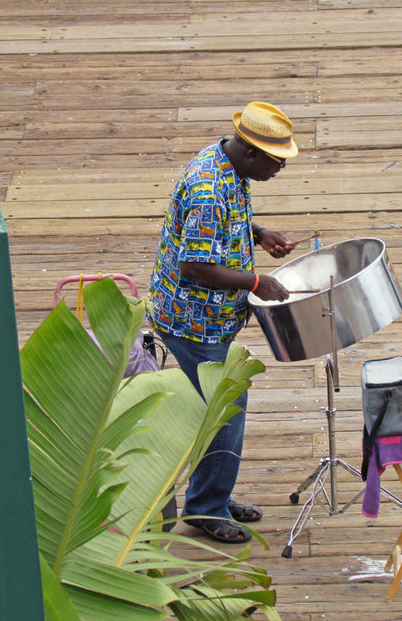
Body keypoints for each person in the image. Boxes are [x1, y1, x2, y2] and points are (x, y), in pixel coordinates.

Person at [147, 102, 298, 543]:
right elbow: (196, 266)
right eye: (276, 161)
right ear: (251, 153)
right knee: (225, 411)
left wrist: (257, 233)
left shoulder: (226, 163)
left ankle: (212, 491)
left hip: (211, 317)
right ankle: (205, 508)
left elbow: (218, 226)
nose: (279, 169)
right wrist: (256, 280)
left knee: (218, 409)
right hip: (192, 321)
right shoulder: (209, 189)